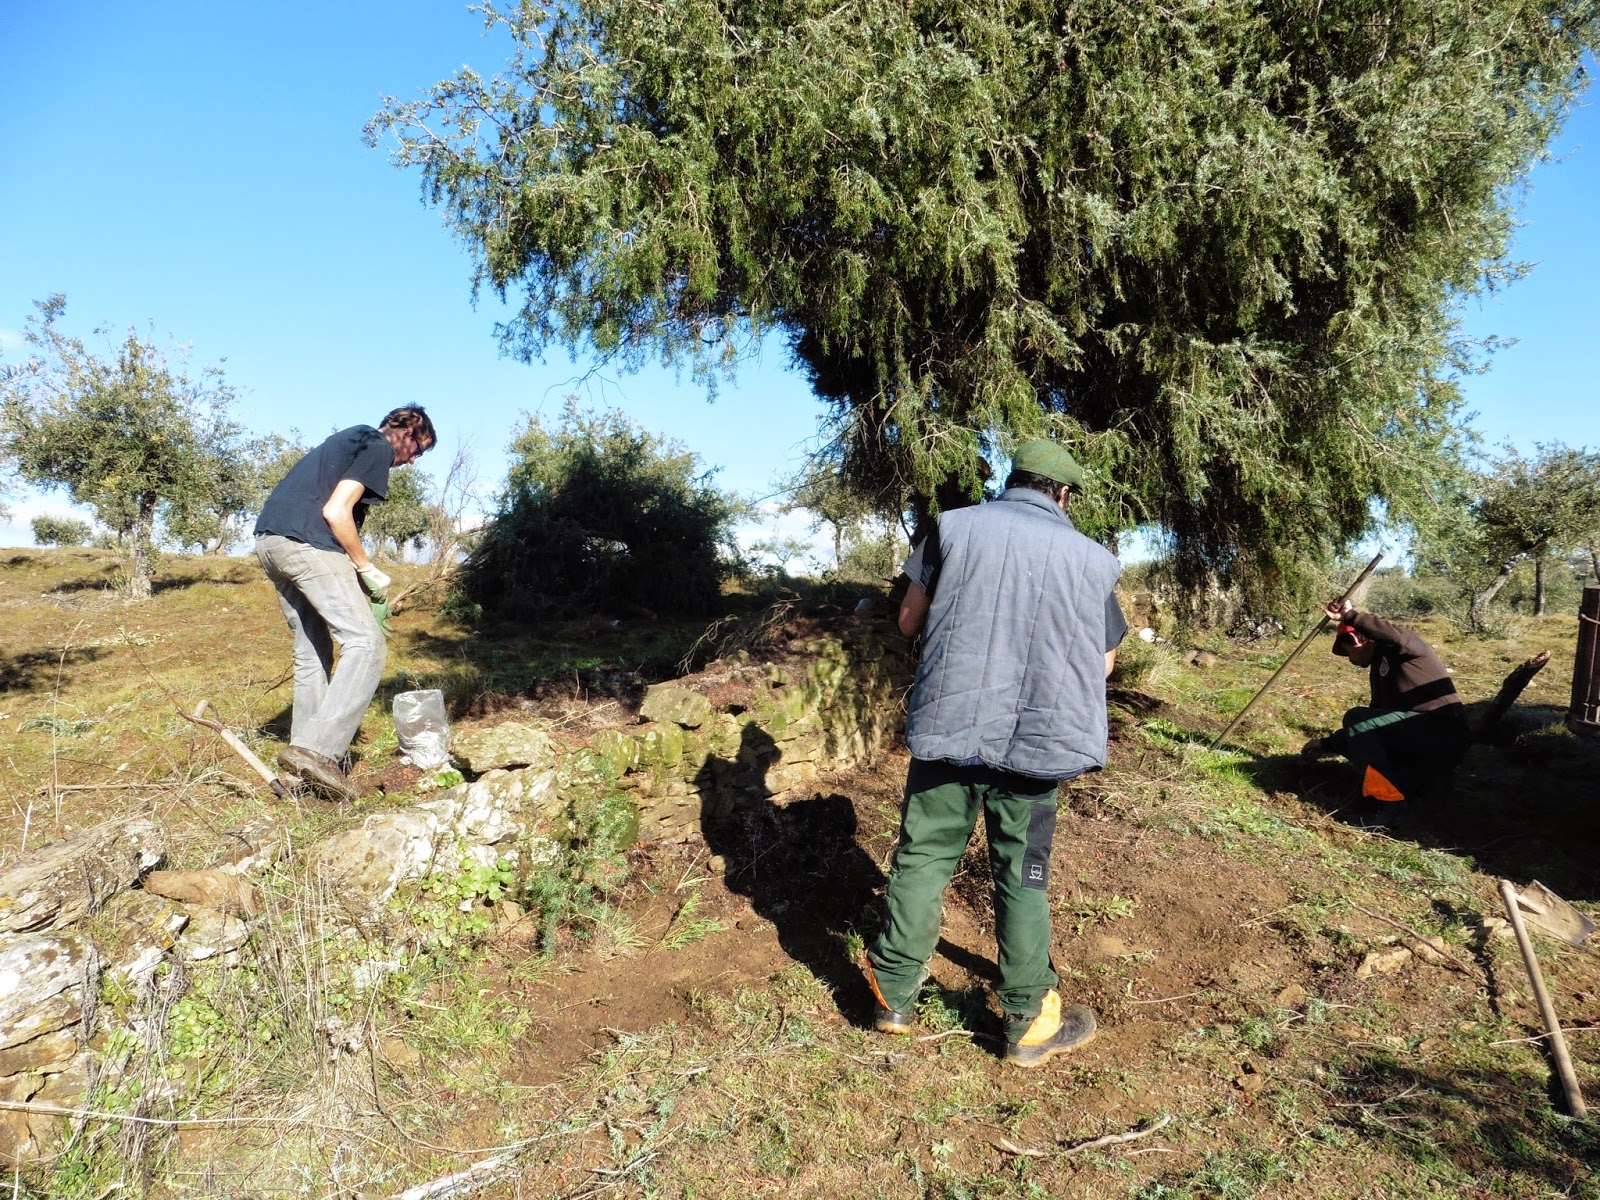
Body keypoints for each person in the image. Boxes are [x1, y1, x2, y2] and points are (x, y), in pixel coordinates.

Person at [864, 439, 1126, 1068]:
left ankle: (893, 996)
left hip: (949, 730)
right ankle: (1027, 1021)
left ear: (1015, 479)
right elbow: (1104, 663)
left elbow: (907, 620)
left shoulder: (953, 528)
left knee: (923, 857)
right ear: (1063, 494)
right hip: (1037, 744)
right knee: (1022, 874)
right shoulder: (1093, 560)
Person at [253, 407, 436, 798]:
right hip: (307, 544)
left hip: (271, 543)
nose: (413, 460)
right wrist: (366, 566)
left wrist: (357, 577)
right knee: (367, 644)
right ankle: (318, 752)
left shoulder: (348, 441)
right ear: (406, 431)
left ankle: (300, 772)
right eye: (418, 449)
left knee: (313, 651)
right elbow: (336, 512)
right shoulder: (376, 444)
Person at [1301, 600, 1472, 803]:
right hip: (1419, 736)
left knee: (1356, 717)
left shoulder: (1404, 648)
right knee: (1359, 739)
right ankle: (1423, 785)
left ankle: (1387, 799)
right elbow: (1370, 727)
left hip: (1442, 732)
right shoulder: (1379, 671)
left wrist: (1351, 616)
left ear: (1357, 639)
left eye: (1348, 651)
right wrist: (1327, 743)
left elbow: (1397, 637)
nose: (1350, 659)